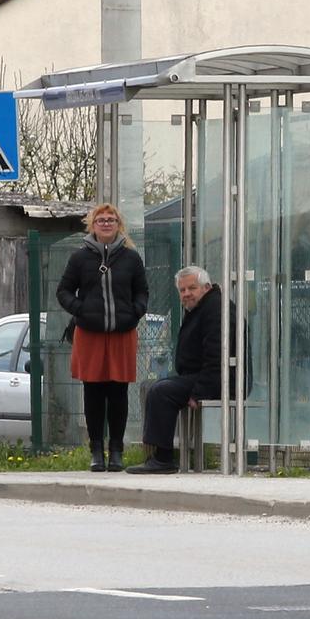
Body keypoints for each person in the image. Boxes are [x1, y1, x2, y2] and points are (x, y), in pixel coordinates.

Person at [56, 203, 149, 472]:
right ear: (92, 225)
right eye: (101, 220)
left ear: (119, 224)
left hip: (122, 332)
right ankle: (96, 450)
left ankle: (117, 450)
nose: (106, 224)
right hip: (90, 333)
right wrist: (80, 310)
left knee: (118, 392)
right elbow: (63, 291)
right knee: (93, 392)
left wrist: (135, 313)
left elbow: (142, 292)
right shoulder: (80, 258)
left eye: (111, 220)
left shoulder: (131, 258)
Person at [127, 266, 233, 474]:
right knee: (152, 385)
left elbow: (217, 357)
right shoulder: (202, 308)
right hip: (203, 376)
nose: (186, 294)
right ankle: (155, 455)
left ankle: (163, 458)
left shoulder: (215, 310)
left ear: (206, 287)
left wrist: (199, 392)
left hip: (220, 380)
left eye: (191, 288)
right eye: (182, 290)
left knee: (162, 391)